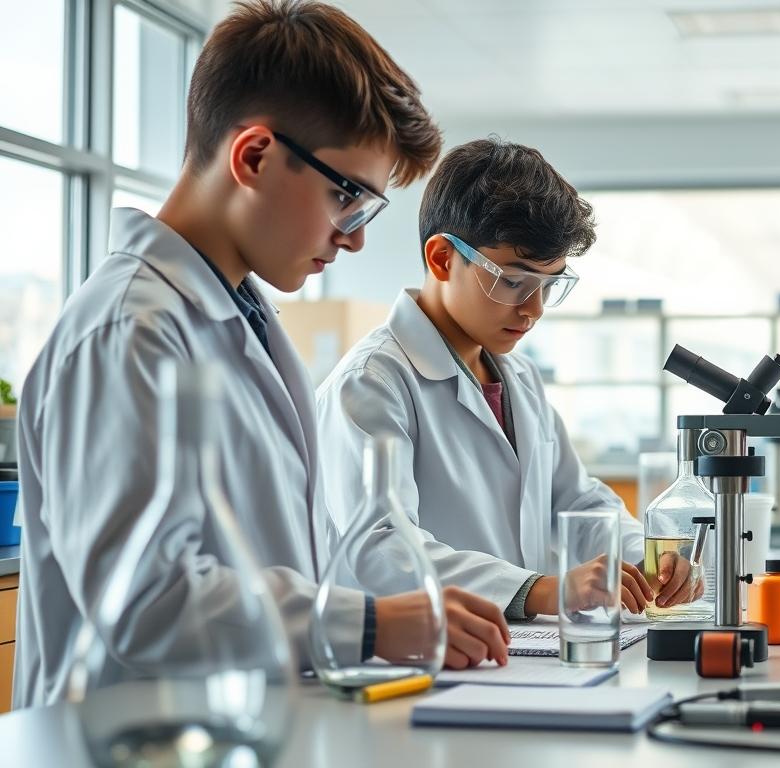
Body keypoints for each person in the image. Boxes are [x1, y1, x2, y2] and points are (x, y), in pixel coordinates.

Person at [13, 0, 508, 709]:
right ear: (253, 156)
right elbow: (146, 600)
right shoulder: (129, 330)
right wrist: (370, 623)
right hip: (125, 738)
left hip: (238, 726)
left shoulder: (241, 318)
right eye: (347, 197)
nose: (354, 237)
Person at [315, 138, 700, 619]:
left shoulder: (519, 375)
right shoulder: (371, 383)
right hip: (418, 650)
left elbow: (576, 499)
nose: (534, 309)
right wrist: (539, 590)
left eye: (550, 285)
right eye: (514, 282)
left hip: (515, 648)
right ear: (442, 259)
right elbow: (380, 547)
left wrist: (648, 560)